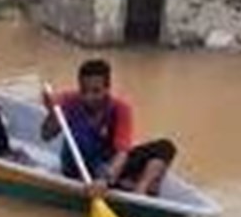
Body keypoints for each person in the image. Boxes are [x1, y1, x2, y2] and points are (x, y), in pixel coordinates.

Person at [40, 59, 176, 197]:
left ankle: (140, 191)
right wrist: (53, 112)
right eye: (84, 91)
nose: (88, 97)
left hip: (106, 164)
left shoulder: (120, 109)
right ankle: (123, 184)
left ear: (107, 88)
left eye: (96, 91)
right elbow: (46, 135)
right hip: (76, 166)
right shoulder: (68, 100)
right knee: (85, 142)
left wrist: (105, 180)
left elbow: (122, 152)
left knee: (165, 147)